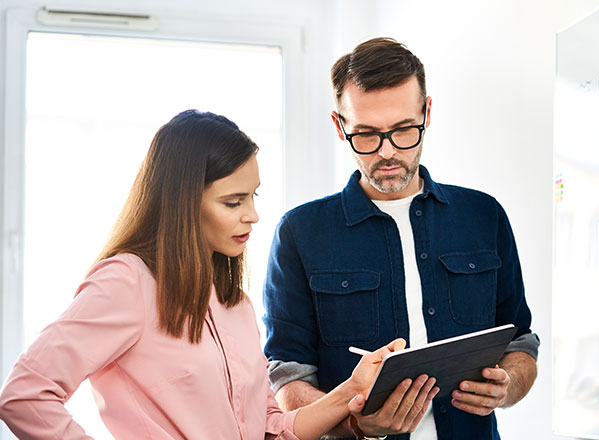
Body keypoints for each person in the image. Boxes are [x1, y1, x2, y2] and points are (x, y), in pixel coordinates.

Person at [0, 110, 437, 439]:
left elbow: (271, 427)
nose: (253, 215)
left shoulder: (234, 304)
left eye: (253, 196)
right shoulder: (126, 283)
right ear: (183, 201)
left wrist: (352, 389)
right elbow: (25, 394)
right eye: (233, 202)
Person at [262, 38, 540, 440]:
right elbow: (288, 379)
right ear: (340, 126)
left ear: (427, 112)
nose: (387, 152)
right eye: (367, 135)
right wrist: (356, 424)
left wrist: (507, 385)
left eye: (403, 130)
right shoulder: (299, 232)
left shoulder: (484, 215)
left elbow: (521, 344)